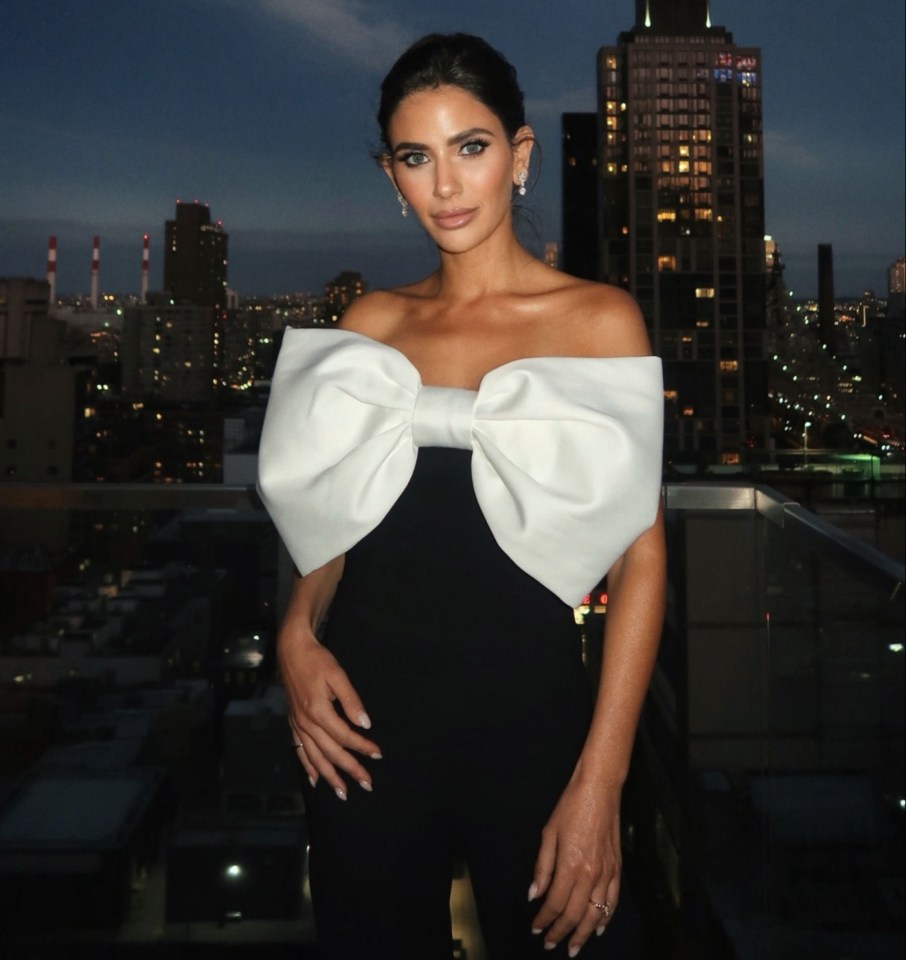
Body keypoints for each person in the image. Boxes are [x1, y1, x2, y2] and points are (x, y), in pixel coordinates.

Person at [257, 33, 665, 960]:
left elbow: (643, 562)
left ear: (518, 157)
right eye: (416, 157)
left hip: (534, 723)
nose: (445, 185)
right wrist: (294, 635)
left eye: (470, 148)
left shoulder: (598, 320)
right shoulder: (370, 323)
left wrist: (601, 781)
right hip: (360, 725)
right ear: (391, 175)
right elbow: (333, 522)